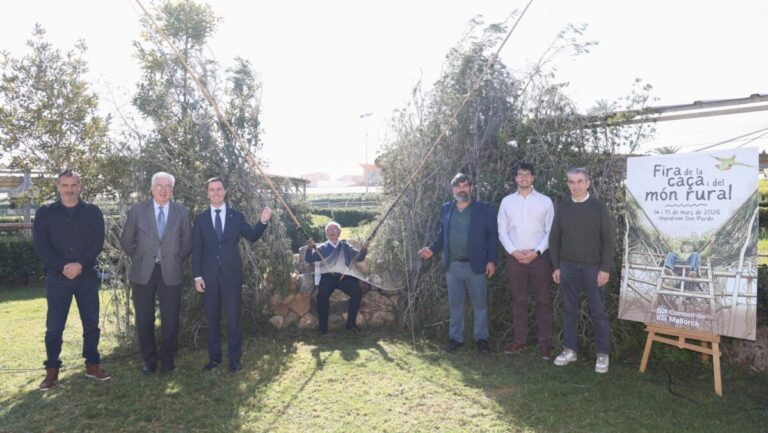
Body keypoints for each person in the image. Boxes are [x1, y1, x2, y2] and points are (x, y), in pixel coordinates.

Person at [33, 169, 110, 390]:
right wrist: (62, 267)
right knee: (54, 327)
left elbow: (97, 242)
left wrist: (80, 265)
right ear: (58, 186)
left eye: (73, 185)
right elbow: (41, 245)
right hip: (57, 279)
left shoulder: (93, 212)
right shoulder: (45, 213)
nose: (69, 190)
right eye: (65, 186)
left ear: (79, 186)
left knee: (91, 324)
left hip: (86, 277)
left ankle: (93, 365)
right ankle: (52, 371)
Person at [192, 177, 271, 373]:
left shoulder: (236, 216)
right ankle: (214, 359)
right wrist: (197, 276)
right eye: (212, 189)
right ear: (207, 193)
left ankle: (234, 360)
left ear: (225, 192)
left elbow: (252, 236)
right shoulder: (201, 218)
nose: (216, 192)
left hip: (231, 277)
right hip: (208, 278)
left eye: (219, 189)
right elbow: (197, 249)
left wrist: (262, 221)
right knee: (212, 319)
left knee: (234, 320)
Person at [120, 172, 192, 374]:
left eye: (167, 186)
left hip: (171, 271)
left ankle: (168, 359)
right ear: (151, 188)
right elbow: (127, 240)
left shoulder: (182, 213)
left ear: (172, 190)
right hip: (143, 272)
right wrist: (142, 256)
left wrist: (176, 259)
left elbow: (188, 243)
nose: (163, 189)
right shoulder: (137, 210)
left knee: (171, 319)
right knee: (144, 319)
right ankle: (149, 360)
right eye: (158, 185)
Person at [418, 173, 497, 354]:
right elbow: (442, 235)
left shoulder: (483, 209)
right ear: (453, 189)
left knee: (480, 305)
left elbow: (492, 235)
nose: (462, 189)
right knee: (455, 304)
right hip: (453, 266)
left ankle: (481, 339)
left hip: (476, 265)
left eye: (465, 185)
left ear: (471, 187)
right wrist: (432, 249)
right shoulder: (447, 208)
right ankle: (456, 339)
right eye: (458, 186)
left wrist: (491, 260)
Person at [549, 167, 615, 373]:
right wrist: (556, 266)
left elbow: (609, 240)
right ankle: (570, 349)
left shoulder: (598, 208)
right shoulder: (564, 208)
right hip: (568, 267)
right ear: (567, 184)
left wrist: (605, 268)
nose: (575, 186)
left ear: (588, 183)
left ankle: (603, 353)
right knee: (569, 310)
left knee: (598, 311)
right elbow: (554, 239)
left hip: (593, 268)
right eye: (571, 182)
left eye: (579, 181)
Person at [497, 162, 555, 359]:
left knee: (543, 302)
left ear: (533, 178)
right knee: (519, 301)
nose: (523, 178)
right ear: (515, 178)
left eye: (527, 174)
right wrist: (514, 252)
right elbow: (502, 231)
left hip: (539, 258)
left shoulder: (545, 201)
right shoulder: (506, 202)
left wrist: (536, 252)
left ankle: (544, 344)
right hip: (515, 259)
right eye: (520, 174)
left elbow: (550, 231)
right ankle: (520, 341)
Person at [305, 222, 368, 335]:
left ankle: (351, 324)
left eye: (335, 229)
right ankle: (322, 328)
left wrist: (364, 249)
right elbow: (309, 259)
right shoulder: (321, 248)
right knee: (322, 295)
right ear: (326, 233)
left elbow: (359, 258)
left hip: (345, 277)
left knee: (357, 292)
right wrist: (309, 248)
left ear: (339, 232)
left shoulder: (345, 246)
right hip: (329, 277)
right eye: (330, 229)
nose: (333, 231)